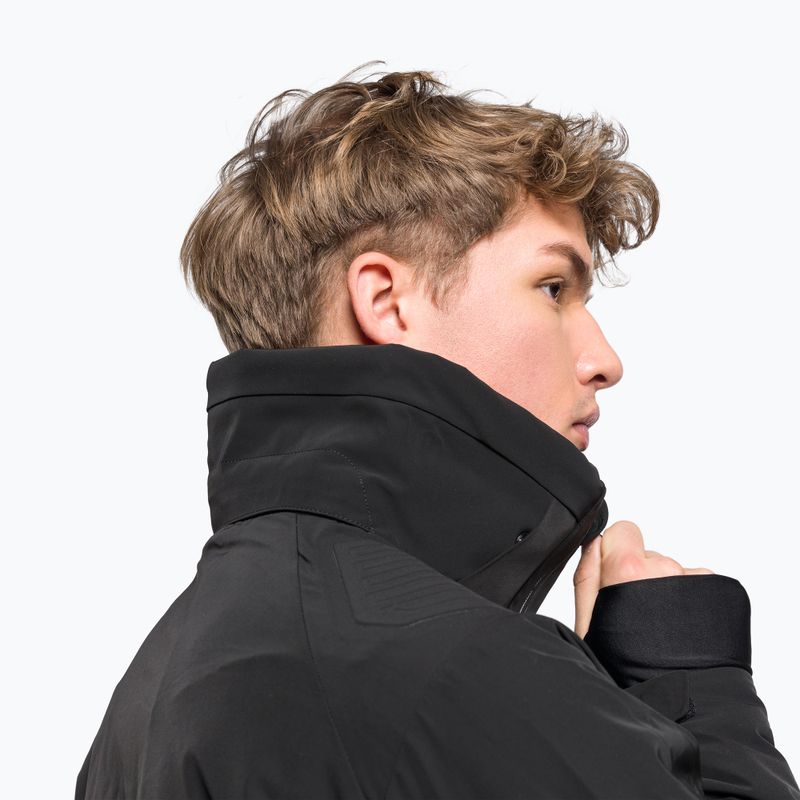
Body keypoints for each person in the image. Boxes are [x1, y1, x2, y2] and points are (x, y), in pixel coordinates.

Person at [75, 63, 800, 799]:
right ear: (387, 301)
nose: (604, 361)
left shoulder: (148, 697)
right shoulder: (454, 668)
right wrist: (685, 678)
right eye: (553, 288)